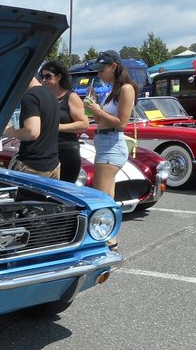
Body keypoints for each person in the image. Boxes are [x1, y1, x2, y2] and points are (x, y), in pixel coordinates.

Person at [83, 50, 137, 251]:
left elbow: (122, 123)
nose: (99, 75)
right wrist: (95, 109)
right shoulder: (113, 90)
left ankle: (106, 238)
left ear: (113, 66)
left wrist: (97, 110)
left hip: (112, 144)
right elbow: (100, 120)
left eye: (101, 70)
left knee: (101, 197)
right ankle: (109, 238)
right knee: (106, 196)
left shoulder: (126, 89)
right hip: (105, 143)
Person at [39, 60, 89, 183]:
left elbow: (83, 124)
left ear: (59, 77)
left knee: (63, 192)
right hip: (46, 152)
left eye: (48, 76)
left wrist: (57, 127)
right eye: (42, 76)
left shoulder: (71, 97)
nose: (44, 80)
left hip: (66, 152)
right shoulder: (44, 97)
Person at [4, 77, 60, 179]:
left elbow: (32, 132)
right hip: (53, 164)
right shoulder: (52, 94)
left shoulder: (30, 97)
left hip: (32, 166)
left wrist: (11, 132)